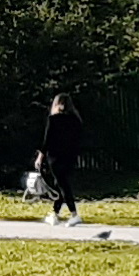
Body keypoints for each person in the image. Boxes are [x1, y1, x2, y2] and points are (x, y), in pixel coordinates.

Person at [36, 93, 87, 225]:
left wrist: (40, 157)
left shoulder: (54, 119)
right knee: (61, 185)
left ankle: (74, 214)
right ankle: (55, 214)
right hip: (70, 156)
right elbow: (79, 139)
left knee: (62, 185)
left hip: (55, 157)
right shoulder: (76, 120)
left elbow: (47, 140)